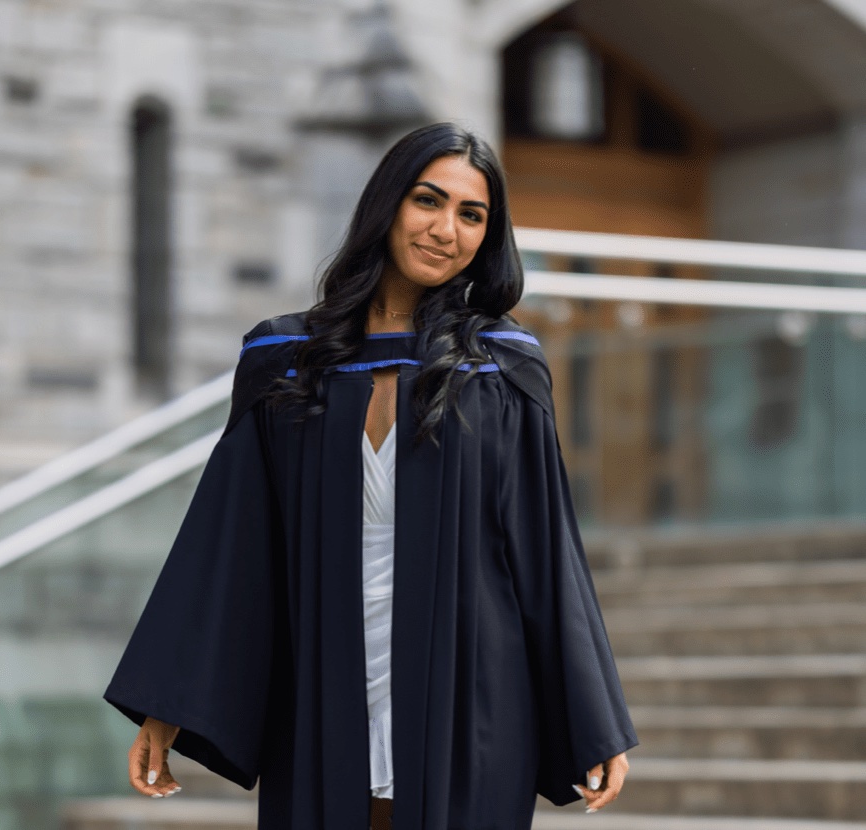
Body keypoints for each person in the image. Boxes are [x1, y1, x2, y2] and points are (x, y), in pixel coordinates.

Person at [104, 121, 638, 829]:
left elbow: (546, 550)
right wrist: (168, 702)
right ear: (386, 204)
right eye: (428, 201)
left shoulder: (501, 368)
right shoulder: (285, 360)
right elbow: (231, 538)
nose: (445, 229)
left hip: (468, 684)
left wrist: (591, 718)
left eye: (470, 214)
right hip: (324, 674)